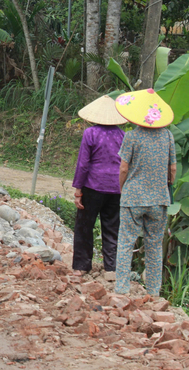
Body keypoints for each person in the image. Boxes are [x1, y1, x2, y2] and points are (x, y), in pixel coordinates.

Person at [114, 88, 176, 296]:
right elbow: (173, 169)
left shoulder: (131, 137)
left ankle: (122, 288)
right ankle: (153, 292)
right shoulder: (168, 136)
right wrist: (166, 184)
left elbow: (123, 168)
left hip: (133, 198)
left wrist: (124, 189)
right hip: (159, 199)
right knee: (155, 245)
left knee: (125, 242)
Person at [71, 95, 127, 276]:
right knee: (112, 227)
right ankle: (111, 269)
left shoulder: (91, 133)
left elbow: (83, 163)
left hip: (93, 185)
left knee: (84, 226)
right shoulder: (123, 135)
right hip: (116, 187)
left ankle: (81, 266)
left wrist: (78, 189)